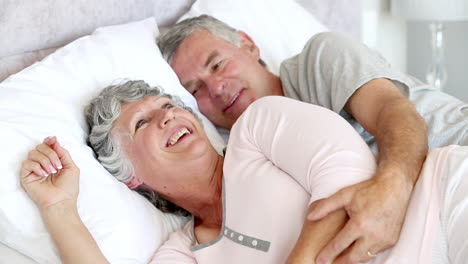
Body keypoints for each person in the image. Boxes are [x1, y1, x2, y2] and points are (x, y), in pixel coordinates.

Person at [21, 80, 468, 263]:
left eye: (167, 105)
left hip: (444, 205)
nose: (168, 117)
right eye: (142, 123)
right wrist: (60, 209)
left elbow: (345, 175)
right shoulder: (183, 254)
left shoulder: (257, 126)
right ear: (130, 177)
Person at [157, 15, 468, 263]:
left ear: (249, 46)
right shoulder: (243, 162)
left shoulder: (320, 59)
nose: (217, 88)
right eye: (195, 89)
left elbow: (395, 113)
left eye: (217, 64)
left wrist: (392, 191)